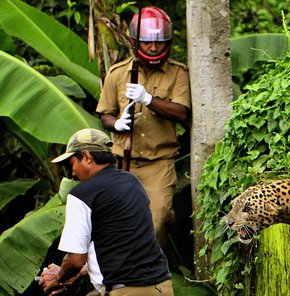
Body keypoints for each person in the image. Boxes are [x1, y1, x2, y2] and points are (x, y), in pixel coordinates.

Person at [95, 6, 191, 248]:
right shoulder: (117, 74)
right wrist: (116, 124)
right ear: (135, 41)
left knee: (157, 222)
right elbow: (105, 114)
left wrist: (149, 100)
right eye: (148, 42)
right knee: (117, 225)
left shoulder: (178, 73)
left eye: (159, 42)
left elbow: (181, 112)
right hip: (121, 163)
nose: (154, 47)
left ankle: (153, 277)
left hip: (159, 164)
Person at [40, 128, 173, 296]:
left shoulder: (81, 195)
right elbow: (122, 246)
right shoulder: (132, 181)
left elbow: (75, 260)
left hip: (125, 291)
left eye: (72, 163)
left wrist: (58, 277)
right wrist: (79, 273)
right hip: (161, 287)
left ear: (87, 157)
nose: (72, 172)